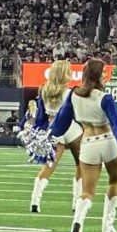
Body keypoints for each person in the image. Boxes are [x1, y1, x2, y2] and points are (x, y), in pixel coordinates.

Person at [50, 58, 117, 232]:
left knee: (87, 191)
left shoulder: (73, 95)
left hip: (88, 144)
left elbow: (61, 122)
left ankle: (78, 222)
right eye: (104, 72)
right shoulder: (104, 98)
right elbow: (116, 123)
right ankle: (107, 225)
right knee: (115, 181)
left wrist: (49, 135)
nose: (106, 75)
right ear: (98, 75)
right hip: (109, 142)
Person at [27, 60, 82, 214]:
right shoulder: (70, 93)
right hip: (70, 127)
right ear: (63, 74)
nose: (71, 74)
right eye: (69, 72)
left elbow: (40, 116)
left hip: (53, 130)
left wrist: (39, 131)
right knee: (81, 164)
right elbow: (77, 114)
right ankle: (77, 201)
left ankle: (35, 201)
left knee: (49, 167)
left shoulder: (43, 90)